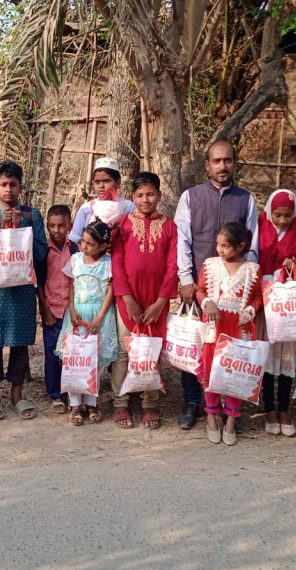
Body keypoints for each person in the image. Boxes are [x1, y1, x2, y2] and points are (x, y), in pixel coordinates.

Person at [174, 140, 259, 430]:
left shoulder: (246, 199)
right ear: (207, 165)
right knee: (197, 344)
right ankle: (191, 403)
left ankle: (229, 406)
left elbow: (253, 244)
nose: (222, 166)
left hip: (234, 290)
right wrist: (186, 279)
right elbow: (182, 239)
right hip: (200, 285)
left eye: (228, 161)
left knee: (229, 348)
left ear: (235, 163)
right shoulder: (191, 197)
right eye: (216, 161)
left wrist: (246, 285)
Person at [0, 160, 48, 420]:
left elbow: (41, 252)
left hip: (22, 290)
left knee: (20, 343)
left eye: (13, 185)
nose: (8, 190)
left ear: (21, 187)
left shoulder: (33, 216)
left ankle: (17, 394)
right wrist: (0, 231)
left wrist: (21, 229)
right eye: (3, 185)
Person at [110, 172, 178, 429]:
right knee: (124, 350)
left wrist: (161, 301)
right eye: (140, 195)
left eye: (151, 194)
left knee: (152, 349)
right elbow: (116, 262)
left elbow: (172, 266)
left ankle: (150, 401)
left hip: (156, 299)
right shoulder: (123, 225)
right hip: (128, 298)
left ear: (159, 195)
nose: (146, 199)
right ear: (132, 197)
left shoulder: (170, 226)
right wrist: (127, 298)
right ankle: (121, 401)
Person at [256, 189, 296, 437]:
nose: (282, 220)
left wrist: (295, 266)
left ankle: (285, 409)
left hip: (289, 308)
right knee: (269, 357)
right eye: (277, 215)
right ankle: (269, 408)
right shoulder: (260, 230)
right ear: (269, 212)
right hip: (266, 305)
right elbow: (253, 260)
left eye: (287, 215)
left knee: (287, 359)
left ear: (295, 214)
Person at [196, 223, 262, 446]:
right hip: (215, 327)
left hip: (238, 329)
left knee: (234, 374)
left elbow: (257, 297)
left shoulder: (252, 270)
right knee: (211, 372)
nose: (220, 249)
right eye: (218, 244)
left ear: (241, 246)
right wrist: (207, 303)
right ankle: (212, 416)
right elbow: (200, 289)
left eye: (225, 246)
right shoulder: (210, 266)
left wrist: (250, 311)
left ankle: (232, 419)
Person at [55, 221, 117, 425]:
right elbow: (72, 285)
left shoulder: (108, 263)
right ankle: (74, 403)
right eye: (83, 242)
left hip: (99, 317)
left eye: (90, 244)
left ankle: (92, 402)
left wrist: (99, 317)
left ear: (103, 246)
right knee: (74, 359)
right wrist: (71, 310)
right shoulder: (75, 260)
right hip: (77, 316)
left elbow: (111, 291)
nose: (84, 247)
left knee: (95, 360)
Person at [36, 204, 79, 415]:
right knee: (52, 353)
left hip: (71, 311)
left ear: (70, 225)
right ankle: (54, 394)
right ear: (46, 226)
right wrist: (44, 310)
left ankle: (71, 391)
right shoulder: (43, 250)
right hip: (52, 310)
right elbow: (39, 282)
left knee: (70, 353)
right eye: (52, 226)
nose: (56, 230)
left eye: (61, 226)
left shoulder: (77, 250)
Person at [68, 157, 136, 243]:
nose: (101, 186)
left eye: (106, 181)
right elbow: (74, 235)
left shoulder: (129, 207)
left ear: (118, 183)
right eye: (97, 182)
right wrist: (88, 245)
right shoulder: (86, 208)